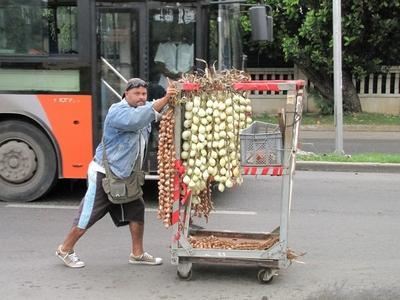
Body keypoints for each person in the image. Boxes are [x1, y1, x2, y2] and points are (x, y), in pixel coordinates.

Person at [56, 78, 178, 268]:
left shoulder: (143, 108)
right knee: (88, 214)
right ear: (125, 94)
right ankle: (65, 249)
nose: (141, 97)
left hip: (126, 176)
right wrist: (165, 99)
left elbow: (158, 114)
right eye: (136, 94)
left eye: (144, 94)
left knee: (136, 211)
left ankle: (137, 254)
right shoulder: (117, 112)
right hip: (106, 173)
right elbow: (138, 119)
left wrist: (175, 101)